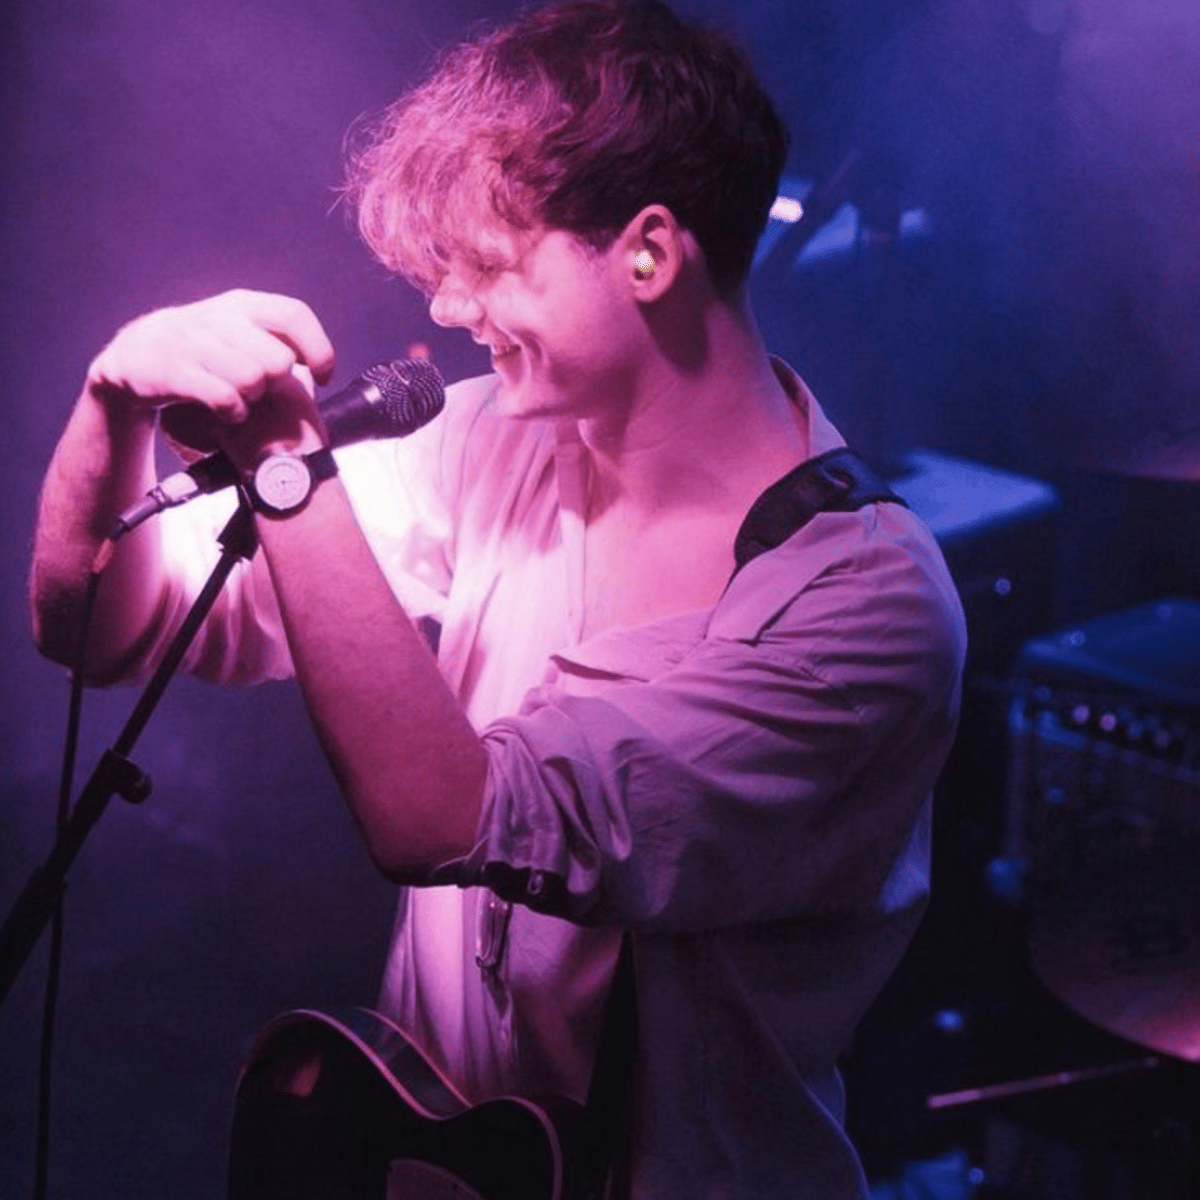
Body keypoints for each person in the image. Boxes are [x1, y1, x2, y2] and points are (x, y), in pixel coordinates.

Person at [29, 2, 966, 1195]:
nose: (447, 309)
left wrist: (286, 463)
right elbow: (102, 631)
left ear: (648, 254)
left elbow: (443, 818)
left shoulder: (861, 609)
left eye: (488, 265)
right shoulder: (493, 441)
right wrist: (114, 402)